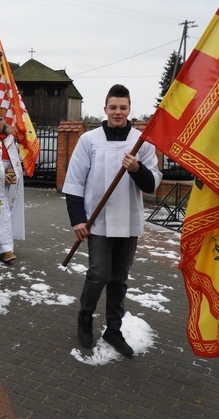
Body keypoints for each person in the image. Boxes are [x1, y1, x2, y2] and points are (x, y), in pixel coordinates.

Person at [62, 84, 162, 357]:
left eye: (123, 107)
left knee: (119, 279)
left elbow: (152, 184)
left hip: (128, 221)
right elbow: (74, 183)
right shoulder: (89, 140)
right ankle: (85, 318)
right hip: (97, 223)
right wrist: (77, 220)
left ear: (129, 109)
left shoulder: (141, 141)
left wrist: (137, 169)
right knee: (98, 274)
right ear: (105, 109)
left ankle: (114, 329)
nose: (118, 112)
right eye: (113, 107)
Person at [0, 106, 25, 264]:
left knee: (7, 211)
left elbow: (12, 157)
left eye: (0, 119)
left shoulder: (9, 137)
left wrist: (12, 174)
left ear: (5, 121)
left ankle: (5, 246)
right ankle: (3, 248)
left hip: (8, 176)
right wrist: (1, 175)